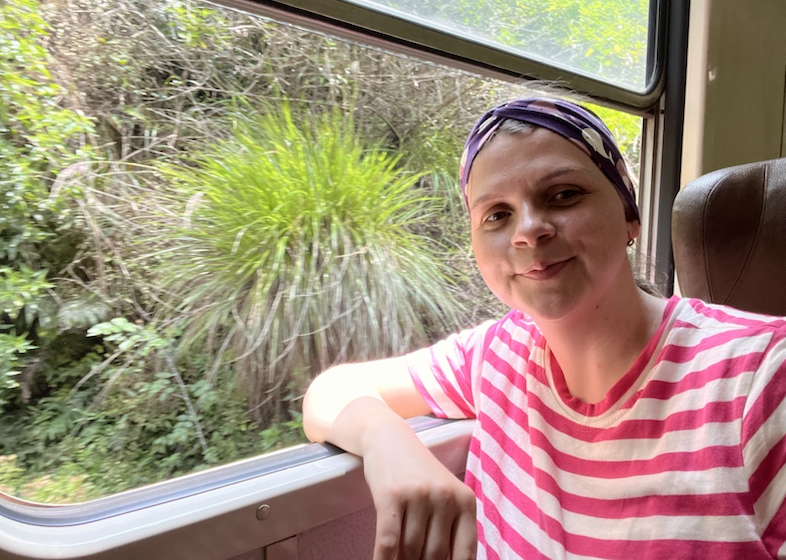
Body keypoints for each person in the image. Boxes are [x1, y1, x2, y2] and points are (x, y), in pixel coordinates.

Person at [302, 97, 786, 559]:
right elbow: (331, 391)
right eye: (497, 215)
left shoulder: (763, 377)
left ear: (629, 215)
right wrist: (389, 444)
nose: (528, 229)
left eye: (563, 195)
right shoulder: (496, 356)